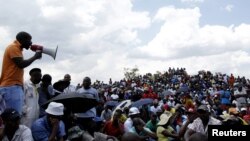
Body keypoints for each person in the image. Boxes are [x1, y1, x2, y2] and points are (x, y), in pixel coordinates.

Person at [0, 31, 42, 114]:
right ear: (23, 40)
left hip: (11, 86)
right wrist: (35, 57)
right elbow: (21, 64)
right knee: (14, 116)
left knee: (9, 117)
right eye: (29, 40)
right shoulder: (13, 47)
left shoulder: (16, 48)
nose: (31, 43)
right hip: (12, 86)